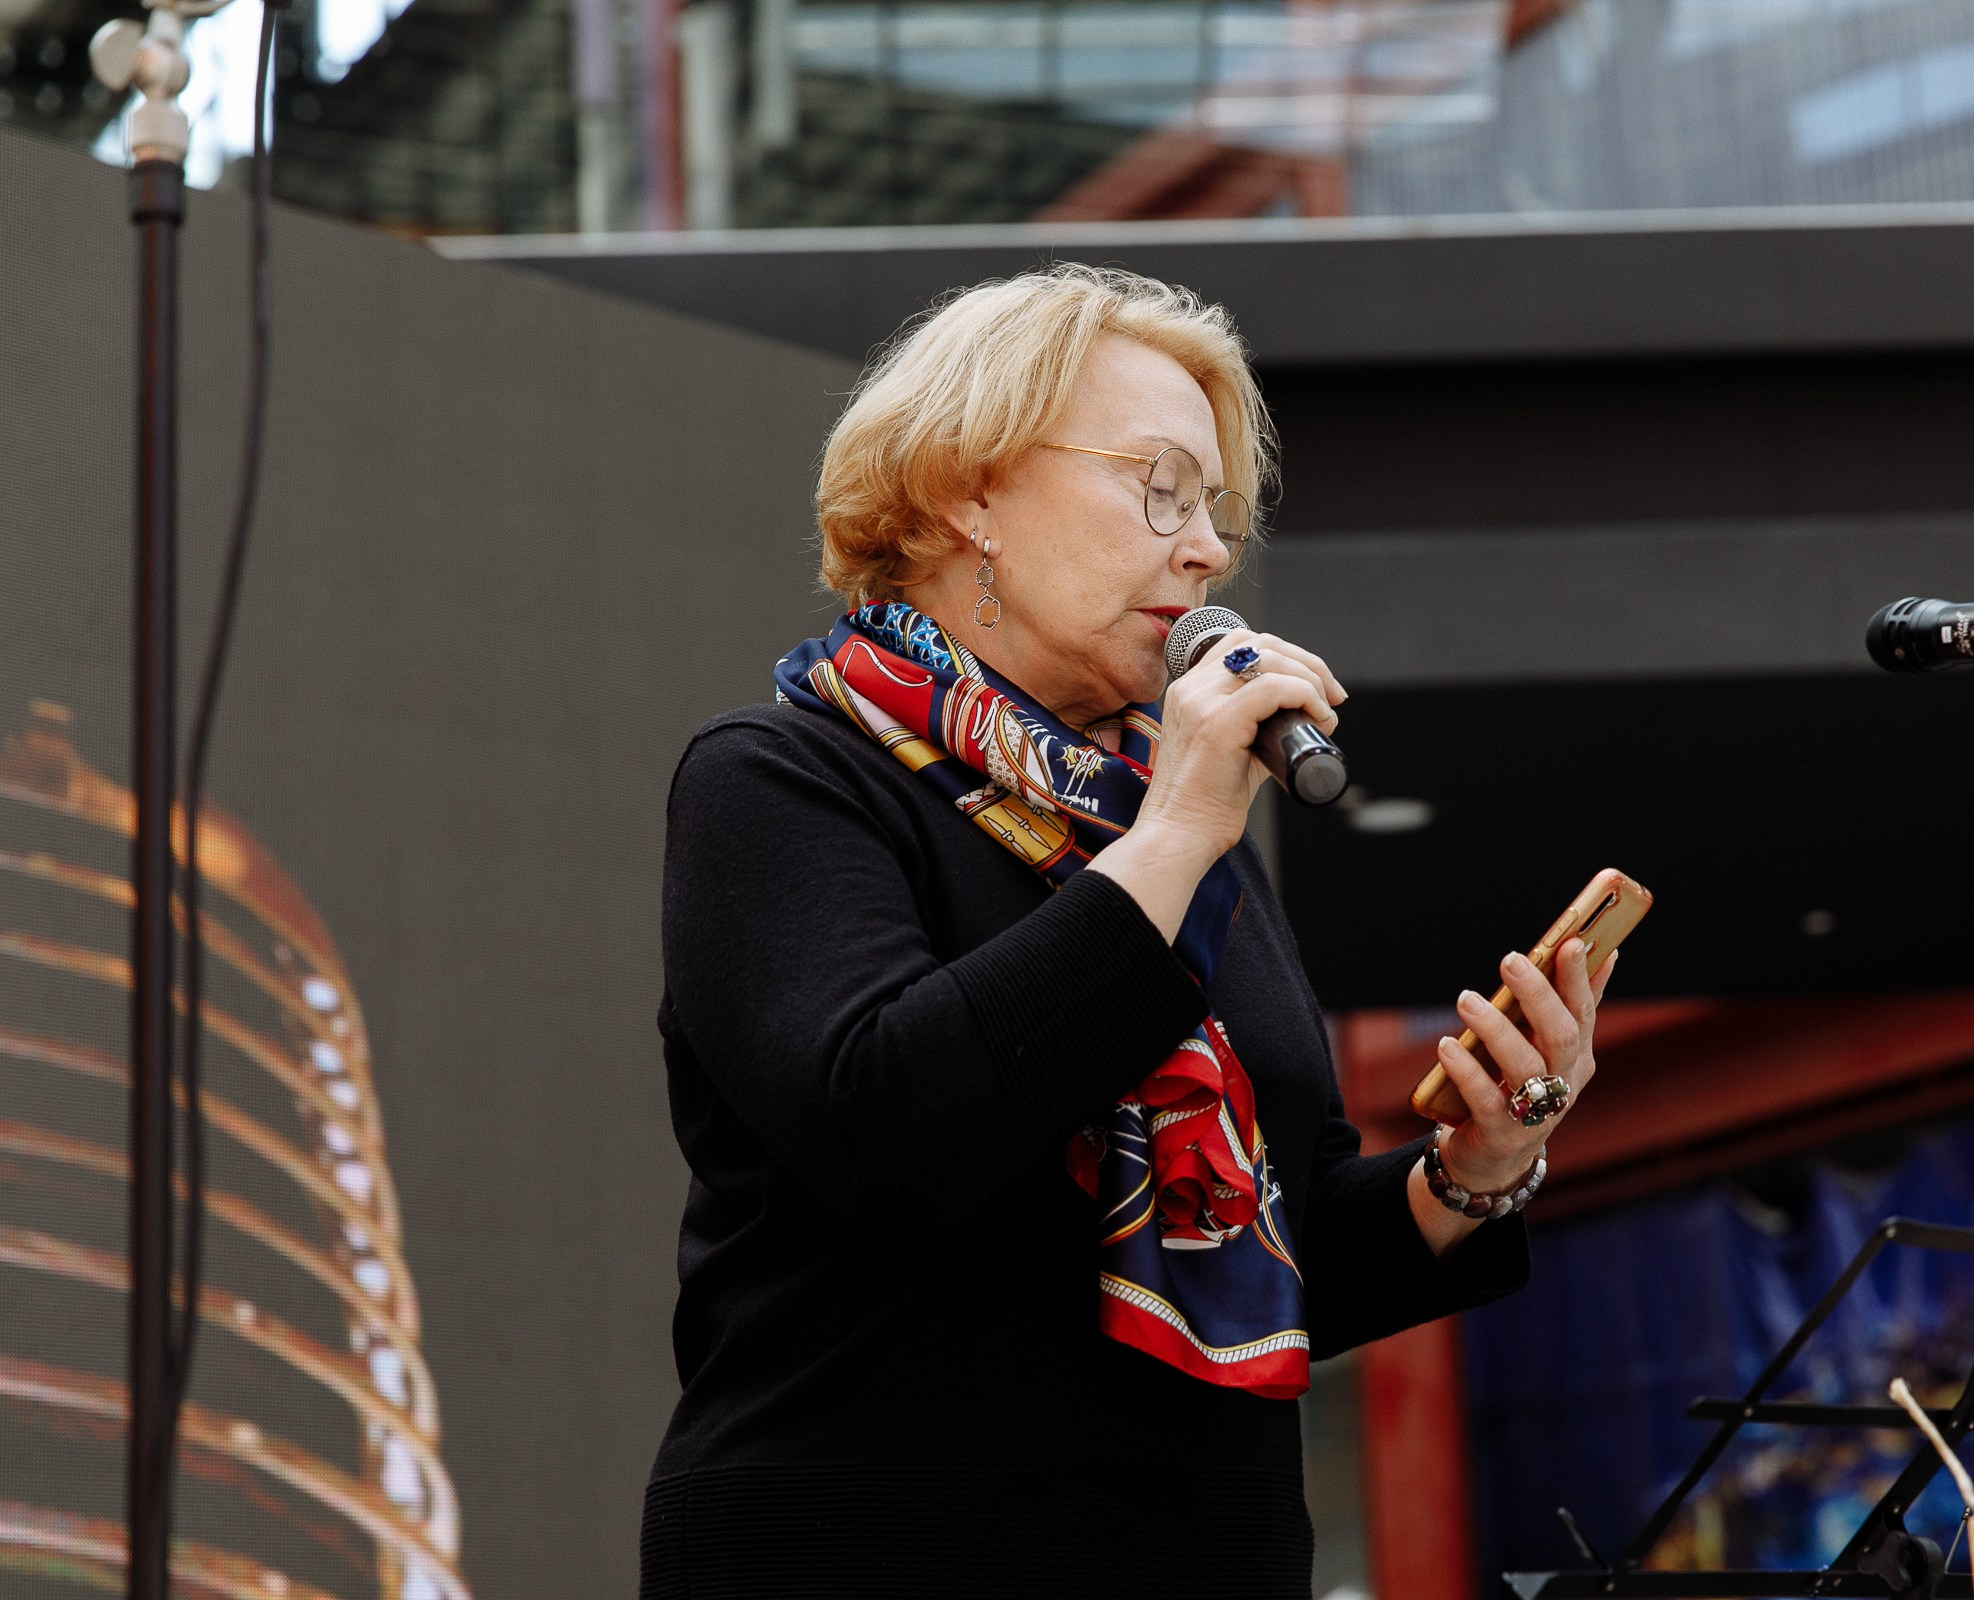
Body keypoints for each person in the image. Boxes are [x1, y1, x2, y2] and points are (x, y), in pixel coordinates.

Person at [641, 263, 1616, 1599]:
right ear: (967, 486)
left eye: (1215, 508)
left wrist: (1479, 1166)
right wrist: (1171, 839)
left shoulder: (1170, 816)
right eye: (1158, 487)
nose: (1209, 548)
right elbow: (891, 1127)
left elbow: (1282, 1246)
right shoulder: (780, 777)